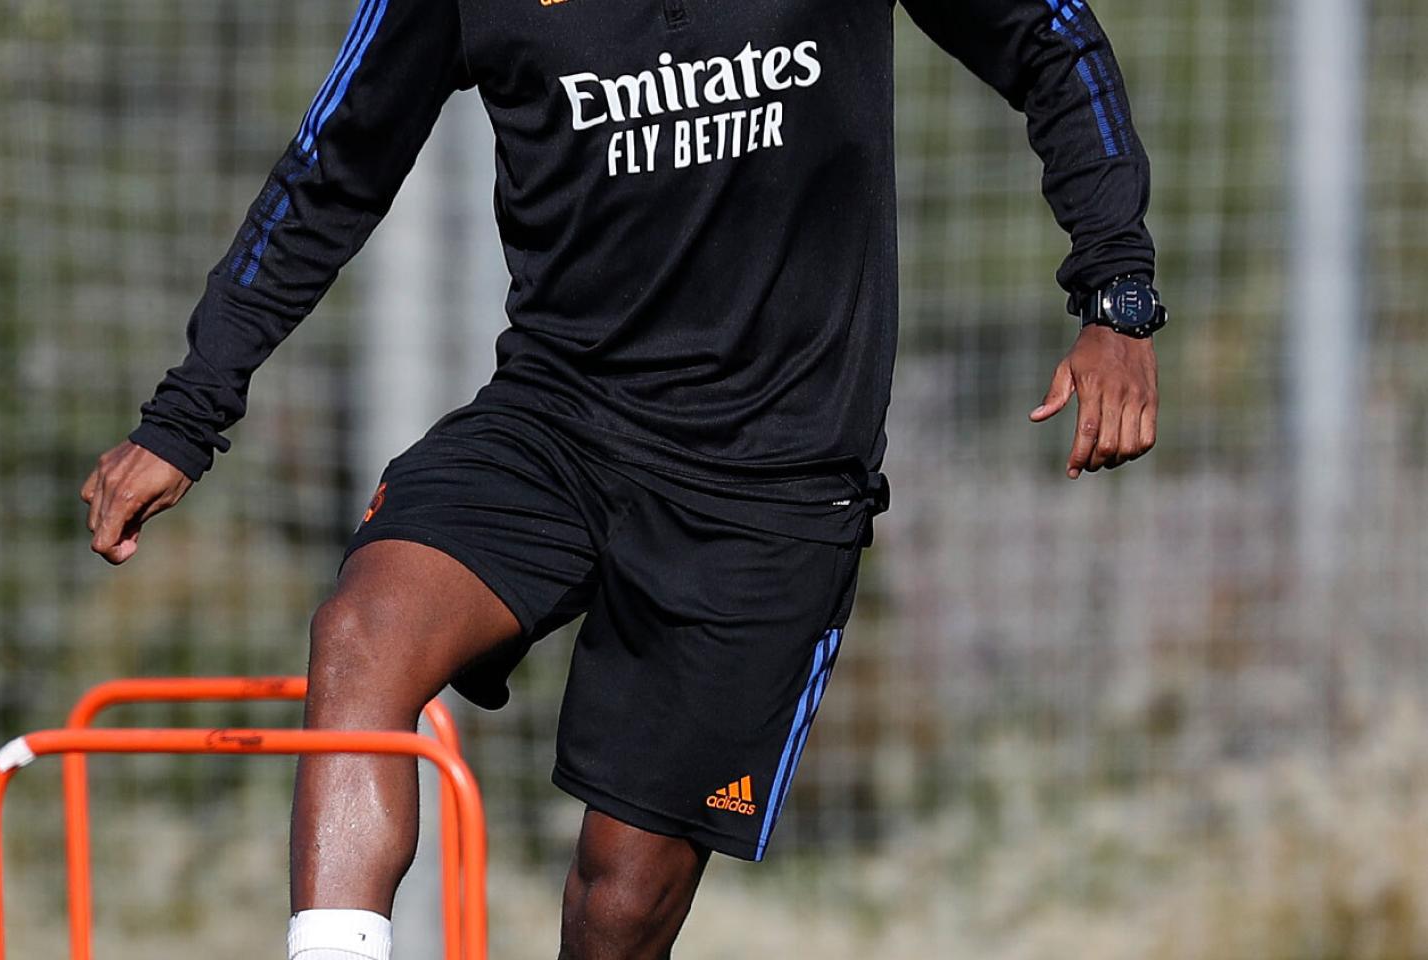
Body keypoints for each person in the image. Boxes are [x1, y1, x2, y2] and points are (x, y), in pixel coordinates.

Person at [81, 0, 1164, 955]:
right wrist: (186, 415)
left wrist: (1113, 292)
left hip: (771, 480)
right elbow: (332, 167)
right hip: (555, 419)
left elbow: (1048, 36)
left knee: (621, 892)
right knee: (359, 635)